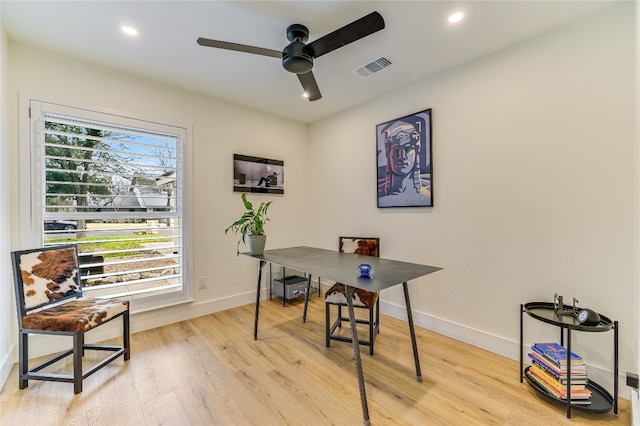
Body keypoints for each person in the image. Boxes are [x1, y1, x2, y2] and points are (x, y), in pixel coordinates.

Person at [377, 120, 431, 207]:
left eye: (408, 149)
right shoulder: (379, 197)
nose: (401, 157)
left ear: (416, 153)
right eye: (396, 150)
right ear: (388, 154)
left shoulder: (427, 196)